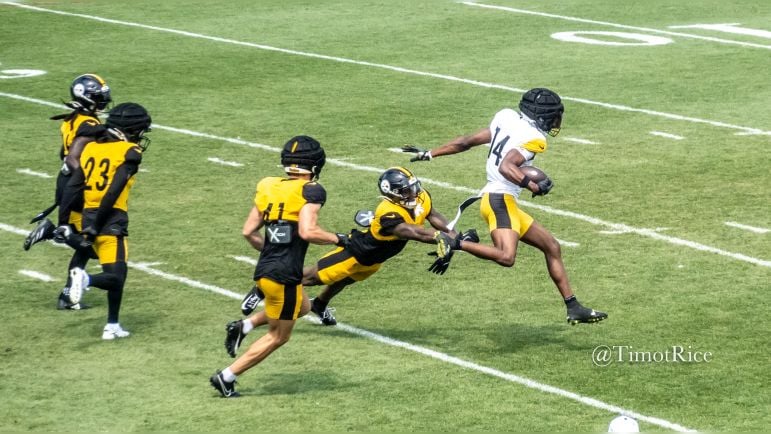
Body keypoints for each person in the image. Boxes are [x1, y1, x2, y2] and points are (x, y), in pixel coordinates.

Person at [403, 88, 607, 325]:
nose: (555, 121)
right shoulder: (536, 139)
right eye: (553, 116)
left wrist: (430, 154)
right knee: (506, 256)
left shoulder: (506, 117)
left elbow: (466, 142)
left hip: (502, 201)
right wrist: (531, 184)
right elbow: (507, 166)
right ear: (542, 116)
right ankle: (455, 241)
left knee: (551, 246)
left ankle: (573, 307)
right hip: (499, 200)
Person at [241, 166, 479, 326]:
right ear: (392, 193)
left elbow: (434, 216)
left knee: (344, 282)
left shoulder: (420, 197)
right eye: (406, 189)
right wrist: (440, 237)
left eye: (413, 186)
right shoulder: (387, 211)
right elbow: (412, 232)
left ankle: (320, 304)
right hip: (356, 252)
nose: (413, 192)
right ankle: (261, 289)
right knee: (312, 277)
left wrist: (454, 237)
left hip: (376, 259)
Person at [210, 135, 349, 398]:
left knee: (304, 306)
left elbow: (248, 232)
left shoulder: (269, 185)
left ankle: (244, 326)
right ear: (316, 164)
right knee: (279, 336)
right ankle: (226, 377)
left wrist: (273, 253)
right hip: (283, 275)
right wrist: (339, 239)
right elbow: (308, 231)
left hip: (266, 270)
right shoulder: (312, 190)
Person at [63, 102, 153, 339]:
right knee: (116, 275)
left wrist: (65, 220)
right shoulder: (130, 152)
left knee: (114, 273)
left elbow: (73, 185)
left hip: (88, 213)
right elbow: (113, 191)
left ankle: (112, 324)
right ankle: (86, 279)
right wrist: (95, 226)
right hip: (111, 217)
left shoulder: (91, 148)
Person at [23, 73, 112, 310]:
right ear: (85, 97)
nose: (103, 101)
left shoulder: (73, 118)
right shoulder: (89, 124)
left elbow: (63, 154)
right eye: (98, 97)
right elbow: (73, 157)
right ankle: (52, 231)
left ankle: (67, 296)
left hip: (66, 181)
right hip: (76, 185)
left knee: (86, 243)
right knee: (91, 245)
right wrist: (86, 177)